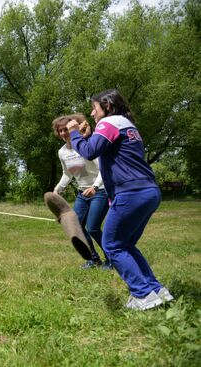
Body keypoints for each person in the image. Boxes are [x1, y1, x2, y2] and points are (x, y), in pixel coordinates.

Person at [67, 89, 173, 311]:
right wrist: (88, 135)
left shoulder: (110, 122)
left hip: (130, 193)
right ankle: (157, 290)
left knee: (112, 244)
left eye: (94, 108)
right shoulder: (126, 124)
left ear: (107, 106)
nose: (92, 113)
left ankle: (143, 295)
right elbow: (104, 149)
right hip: (148, 190)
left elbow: (88, 152)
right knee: (125, 244)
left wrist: (74, 133)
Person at [52, 114, 111, 270]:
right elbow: (68, 173)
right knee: (76, 226)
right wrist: (58, 189)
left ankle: (112, 259)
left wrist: (95, 187)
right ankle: (94, 259)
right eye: (60, 131)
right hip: (82, 194)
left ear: (75, 128)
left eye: (66, 129)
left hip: (100, 191)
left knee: (92, 227)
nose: (64, 133)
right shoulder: (62, 152)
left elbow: (103, 169)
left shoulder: (87, 145)